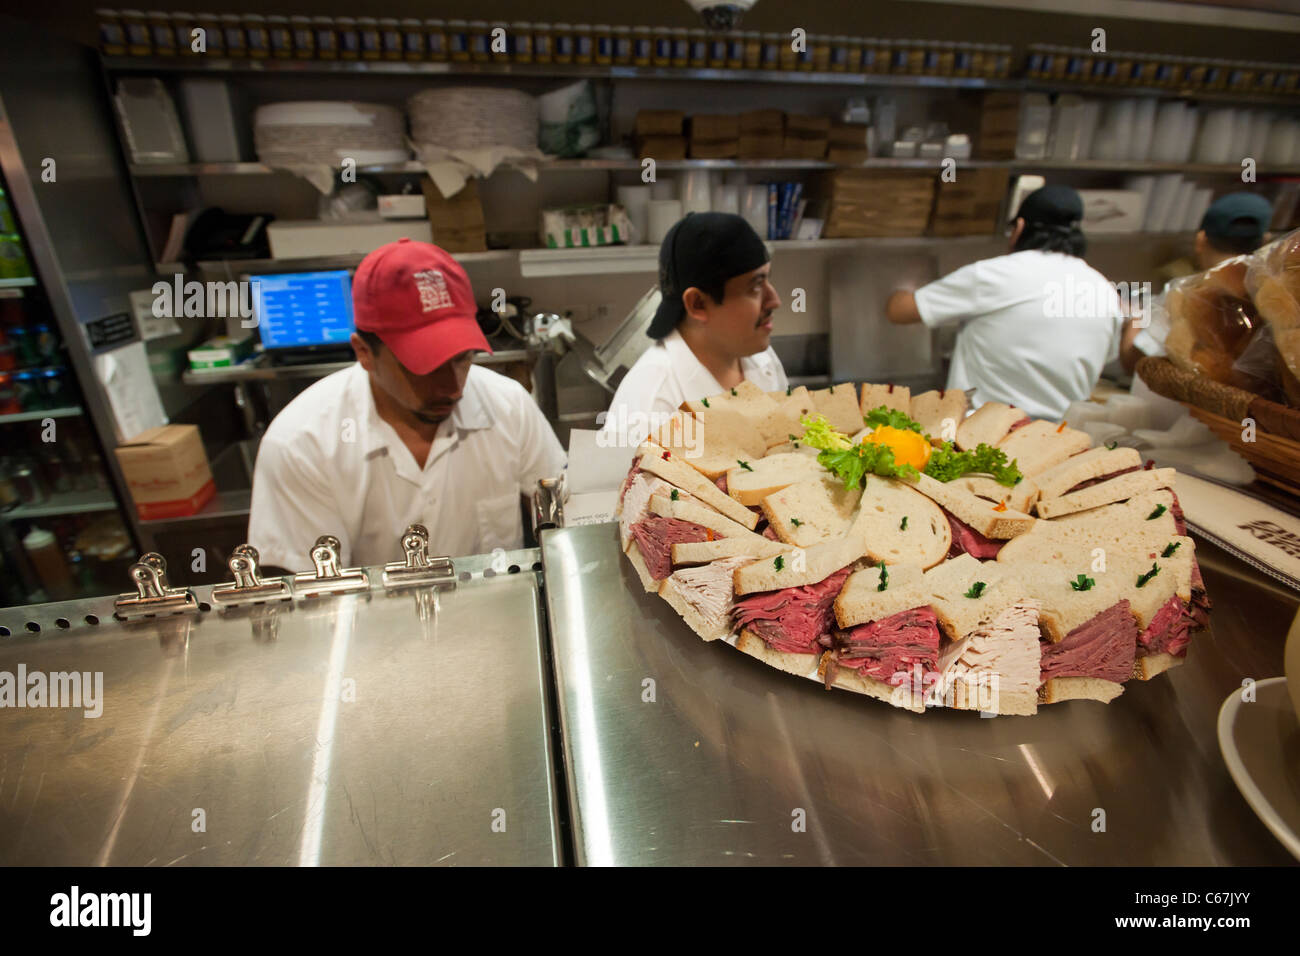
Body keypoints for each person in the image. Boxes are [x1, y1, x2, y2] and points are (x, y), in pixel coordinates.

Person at [248, 238, 565, 572]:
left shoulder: (509, 405)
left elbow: (563, 515)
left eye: (462, 358)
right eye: (423, 365)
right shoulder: (301, 444)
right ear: (364, 353)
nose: (452, 386)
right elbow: (309, 600)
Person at [885, 184, 1123, 421]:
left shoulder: (995, 274)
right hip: (1060, 440)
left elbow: (900, 311)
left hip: (984, 436)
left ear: (1019, 228)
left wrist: (899, 288)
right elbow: (1106, 357)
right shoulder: (1104, 289)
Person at [600, 212, 787, 446]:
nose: (774, 301)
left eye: (768, 280)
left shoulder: (763, 361)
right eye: (756, 286)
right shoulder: (650, 406)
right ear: (698, 304)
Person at [1119, 192, 1273, 373]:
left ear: (1201, 240)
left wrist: (1138, 316)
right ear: (1265, 240)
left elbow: (1134, 362)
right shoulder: (1273, 296)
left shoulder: (1186, 292)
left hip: (1179, 401)